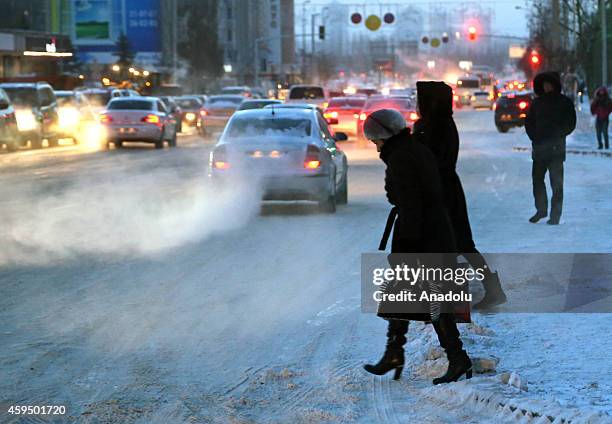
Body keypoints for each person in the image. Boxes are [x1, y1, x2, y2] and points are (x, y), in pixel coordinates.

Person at [362, 109, 472, 385]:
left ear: (384, 135)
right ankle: (394, 354)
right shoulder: (413, 149)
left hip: (423, 236)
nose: (375, 146)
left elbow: (411, 203)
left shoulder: (400, 157)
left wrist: (406, 248)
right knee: (402, 295)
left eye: (375, 140)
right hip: (433, 230)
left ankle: (458, 359)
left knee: (435, 300)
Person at [413, 81, 506, 310]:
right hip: (447, 188)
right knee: (461, 243)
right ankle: (487, 290)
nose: (417, 104)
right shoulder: (440, 124)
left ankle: (454, 299)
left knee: (451, 244)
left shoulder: (434, 126)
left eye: (421, 100)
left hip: (440, 190)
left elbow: (433, 160)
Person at [525, 72, 576, 225]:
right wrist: (535, 137)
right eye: (544, 84)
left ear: (555, 85)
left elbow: (571, 123)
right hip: (540, 149)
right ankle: (541, 210)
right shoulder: (537, 103)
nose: (547, 87)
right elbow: (529, 122)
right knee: (537, 181)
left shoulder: (564, 102)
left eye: (549, 84)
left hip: (556, 150)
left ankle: (555, 215)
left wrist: (559, 134)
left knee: (557, 184)